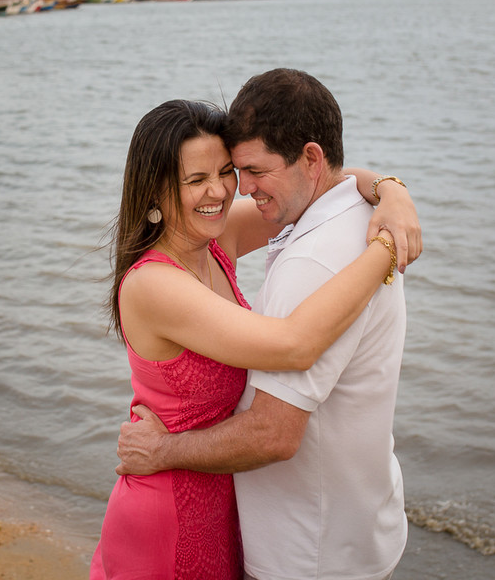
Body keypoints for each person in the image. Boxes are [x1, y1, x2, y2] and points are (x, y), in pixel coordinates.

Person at [91, 97, 420, 580]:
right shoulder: (153, 285)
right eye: (196, 180)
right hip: (169, 511)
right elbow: (294, 345)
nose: (222, 191)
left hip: (227, 505)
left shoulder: (213, 240)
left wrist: (393, 194)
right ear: (155, 191)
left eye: (226, 171)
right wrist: (387, 248)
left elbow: (321, 182)